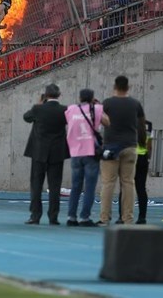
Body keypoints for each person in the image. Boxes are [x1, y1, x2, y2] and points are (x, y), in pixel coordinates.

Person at [99, 75, 146, 226]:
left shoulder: (107, 103)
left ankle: (105, 218)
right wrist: (142, 143)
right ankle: (128, 218)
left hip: (111, 147)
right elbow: (141, 125)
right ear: (128, 87)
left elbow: (100, 119)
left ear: (115, 86)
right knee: (128, 183)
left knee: (108, 183)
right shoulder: (135, 104)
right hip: (130, 146)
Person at [23, 83, 68, 226]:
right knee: (55, 186)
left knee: (36, 184)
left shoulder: (38, 109)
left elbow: (26, 117)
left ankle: (35, 215)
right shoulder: (64, 110)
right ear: (59, 95)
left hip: (39, 152)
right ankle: (53, 217)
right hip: (57, 152)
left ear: (46, 95)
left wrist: (39, 103)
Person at [65, 88, 107, 227]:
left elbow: (69, 121)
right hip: (90, 151)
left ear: (80, 97)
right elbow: (108, 122)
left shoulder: (71, 109)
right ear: (92, 98)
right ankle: (84, 217)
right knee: (89, 187)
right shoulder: (96, 109)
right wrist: (98, 106)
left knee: (76, 186)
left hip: (75, 151)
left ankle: (71, 216)